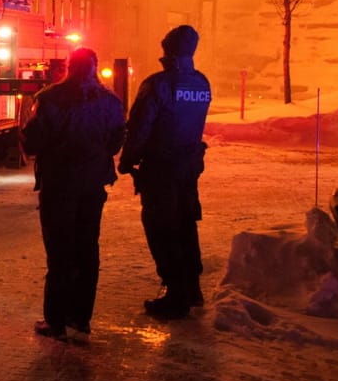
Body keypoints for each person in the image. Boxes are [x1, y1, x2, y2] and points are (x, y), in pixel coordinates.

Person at [21, 47, 125, 342]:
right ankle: (81, 317)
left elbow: (33, 142)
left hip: (59, 185)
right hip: (92, 186)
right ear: (95, 68)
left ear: (68, 67)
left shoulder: (49, 98)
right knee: (87, 249)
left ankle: (55, 321)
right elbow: (116, 141)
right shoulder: (109, 101)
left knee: (59, 252)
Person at [117, 25, 212, 320]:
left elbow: (140, 124)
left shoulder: (158, 84)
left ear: (167, 49)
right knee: (185, 224)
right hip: (188, 165)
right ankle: (192, 287)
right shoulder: (201, 82)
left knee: (161, 227)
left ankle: (176, 293)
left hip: (161, 167)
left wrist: (128, 158)